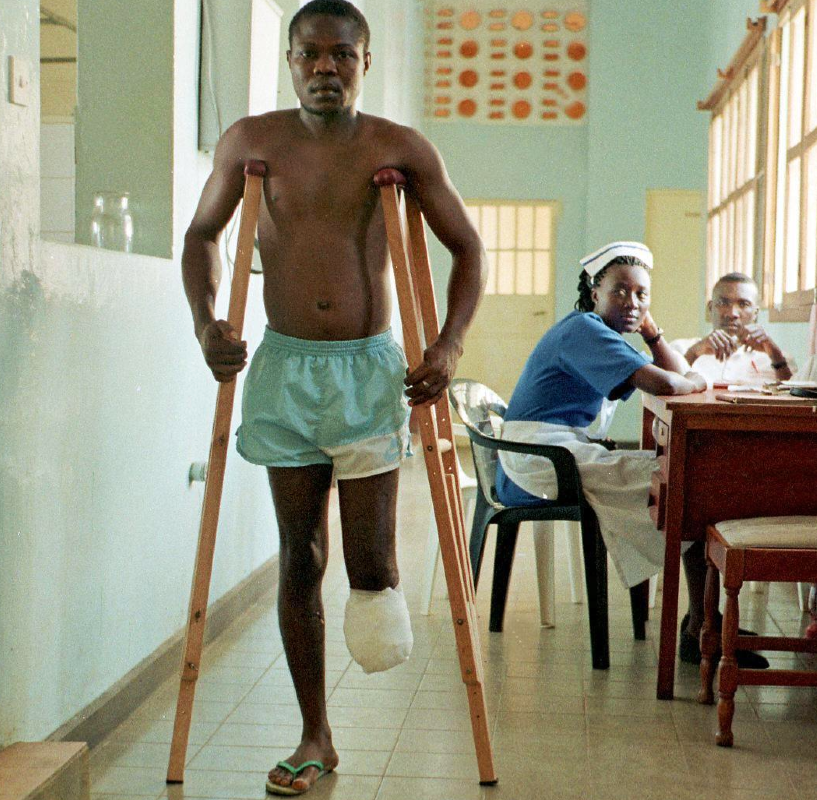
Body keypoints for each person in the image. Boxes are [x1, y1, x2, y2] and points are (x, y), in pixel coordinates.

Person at [181, 2, 485, 795]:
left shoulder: (400, 148)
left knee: (371, 564)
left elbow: (467, 248)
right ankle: (315, 732)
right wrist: (207, 321)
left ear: (365, 62)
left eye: (341, 56)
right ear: (289, 60)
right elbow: (201, 236)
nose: (325, 68)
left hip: (367, 370)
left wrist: (448, 343)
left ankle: (376, 622)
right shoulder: (252, 142)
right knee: (300, 554)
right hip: (283, 368)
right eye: (310, 55)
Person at [494, 243, 769, 669]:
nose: (631, 303)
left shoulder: (600, 332)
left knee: (689, 482)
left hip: (559, 452)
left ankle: (701, 623)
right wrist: (695, 379)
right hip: (540, 459)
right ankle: (701, 626)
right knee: (688, 485)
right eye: (620, 291)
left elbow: (673, 374)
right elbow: (666, 383)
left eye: (642, 295)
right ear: (594, 291)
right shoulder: (584, 330)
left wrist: (652, 332)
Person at [671, 273, 794, 385]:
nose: (732, 313)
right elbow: (664, 390)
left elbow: (793, 402)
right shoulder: (679, 350)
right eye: (723, 303)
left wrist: (776, 357)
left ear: (756, 313)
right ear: (710, 308)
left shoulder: (778, 357)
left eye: (743, 304)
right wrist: (692, 354)